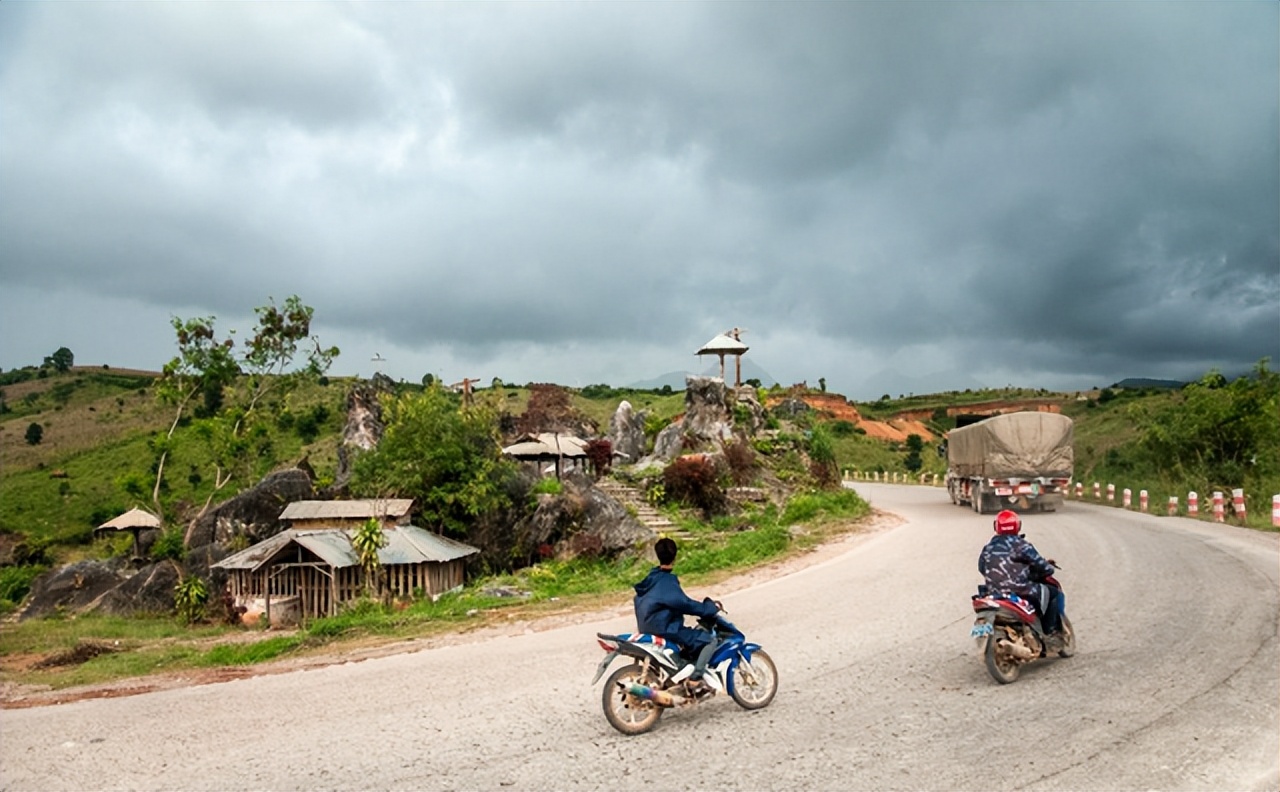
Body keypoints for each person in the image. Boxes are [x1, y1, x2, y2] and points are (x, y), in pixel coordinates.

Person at [633, 537, 722, 689]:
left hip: (647, 627)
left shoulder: (651, 578)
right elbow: (685, 604)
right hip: (665, 629)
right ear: (675, 556)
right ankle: (695, 678)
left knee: (689, 638)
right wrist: (709, 607)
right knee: (710, 641)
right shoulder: (667, 582)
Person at [978, 509, 1065, 642]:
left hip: (993, 592)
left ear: (996, 526)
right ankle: (1050, 632)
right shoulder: (1022, 545)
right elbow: (1042, 566)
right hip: (1020, 590)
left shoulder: (988, 547)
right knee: (1053, 593)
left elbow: (982, 567)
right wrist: (1047, 568)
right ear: (1018, 526)